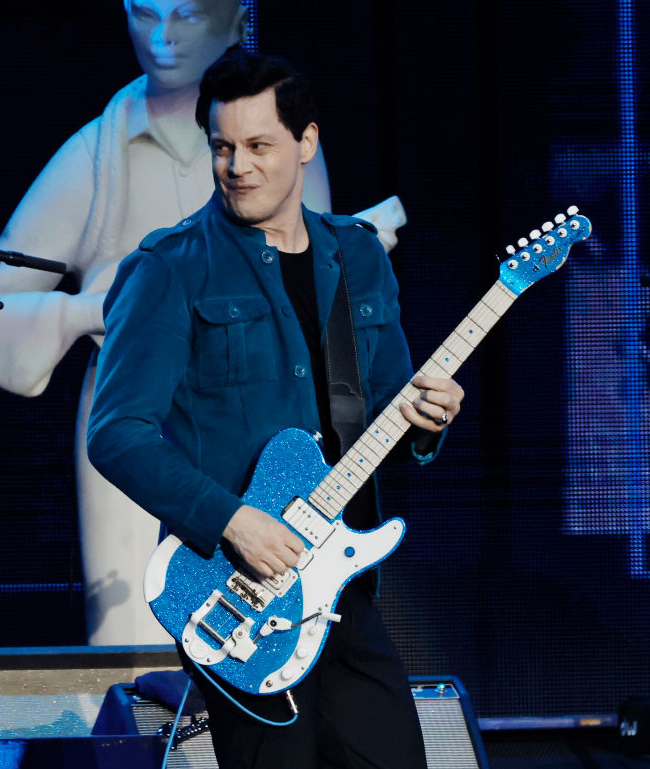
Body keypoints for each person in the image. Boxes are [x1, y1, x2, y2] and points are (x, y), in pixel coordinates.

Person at [0, 0, 401, 646]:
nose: (161, 39)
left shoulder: (287, 144)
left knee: (283, 624)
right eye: (143, 13)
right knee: (140, 636)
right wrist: (87, 311)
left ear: (232, 24)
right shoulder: (101, 155)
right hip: (146, 419)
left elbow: (313, 286)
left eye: (186, 17)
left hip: (271, 426)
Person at [86, 50, 463, 769]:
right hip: (240, 596)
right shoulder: (169, 269)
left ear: (306, 143)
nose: (237, 166)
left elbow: (388, 407)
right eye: (222, 147)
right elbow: (117, 434)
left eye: (258, 146)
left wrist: (427, 421)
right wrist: (229, 519)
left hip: (343, 587)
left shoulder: (358, 256)